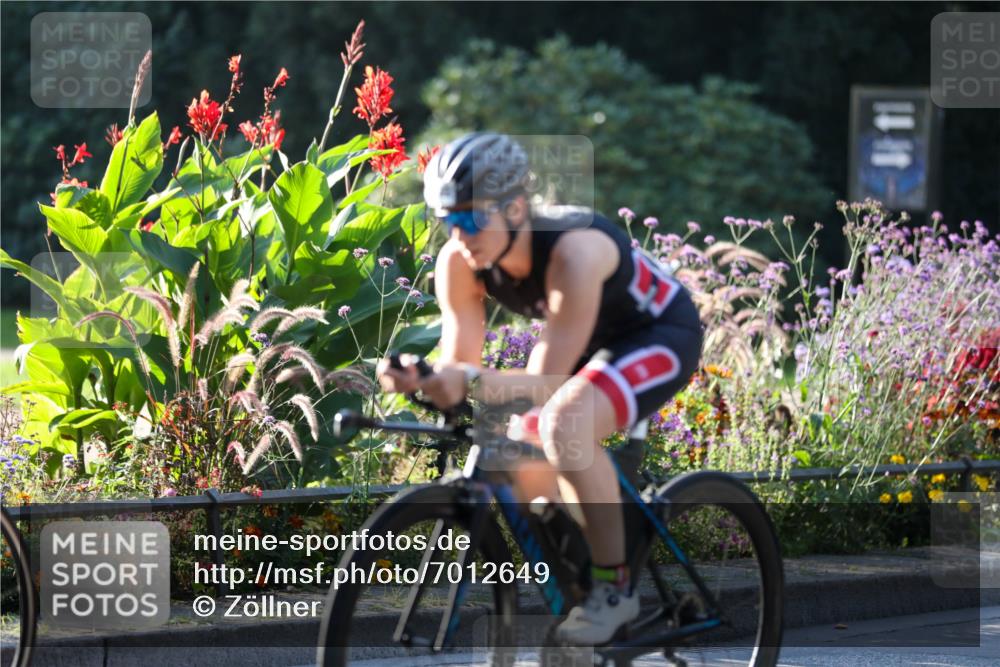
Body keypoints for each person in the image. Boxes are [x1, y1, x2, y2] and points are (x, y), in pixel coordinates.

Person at [377, 132, 703, 645]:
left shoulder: (573, 252)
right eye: (447, 221)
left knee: (563, 423)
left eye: (471, 218)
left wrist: (470, 382)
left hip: (656, 334)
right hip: (583, 334)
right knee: (520, 447)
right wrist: (428, 377)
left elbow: (548, 384)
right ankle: (582, 547)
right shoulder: (459, 262)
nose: (460, 235)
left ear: (516, 208)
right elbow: (461, 361)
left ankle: (613, 591)